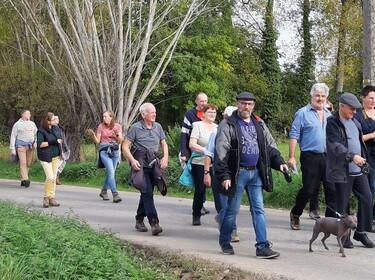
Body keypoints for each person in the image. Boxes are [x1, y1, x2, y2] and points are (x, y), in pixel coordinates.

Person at [214, 92, 288, 258]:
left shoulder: (259, 124)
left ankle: (262, 246)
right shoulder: (228, 125)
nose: (246, 107)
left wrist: (280, 162)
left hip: (256, 174)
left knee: (259, 210)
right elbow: (221, 152)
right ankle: (225, 240)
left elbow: (270, 147)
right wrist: (225, 175)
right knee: (232, 211)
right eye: (242, 103)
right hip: (237, 174)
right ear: (237, 104)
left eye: (249, 104)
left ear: (253, 105)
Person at [326, 92, 375, 248]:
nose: (354, 112)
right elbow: (335, 146)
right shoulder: (332, 123)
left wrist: (362, 157)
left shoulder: (355, 122)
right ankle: (344, 236)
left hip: (358, 169)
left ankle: (360, 232)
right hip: (342, 171)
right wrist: (352, 156)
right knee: (343, 205)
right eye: (352, 109)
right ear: (342, 106)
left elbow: (359, 142)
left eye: (356, 109)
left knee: (367, 198)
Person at [289, 83, 337, 230]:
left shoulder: (329, 116)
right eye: (317, 95)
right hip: (310, 157)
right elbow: (294, 134)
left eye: (323, 96)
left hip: (328, 157)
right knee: (309, 189)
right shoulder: (302, 113)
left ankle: (329, 222)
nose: (320, 98)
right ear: (312, 96)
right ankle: (296, 213)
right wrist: (291, 156)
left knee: (332, 189)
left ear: (326, 98)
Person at [122, 102, 168, 236]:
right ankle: (154, 222)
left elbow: (163, 144)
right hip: (140, 163)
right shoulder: (135, 128)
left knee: (146, 192)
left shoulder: (158, 127)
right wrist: (132, 160)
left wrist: (165, 158)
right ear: (143, 114)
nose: (154, 114)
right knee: (147, 192)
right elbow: (125, 146)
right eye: (151, 112)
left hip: (154, 163)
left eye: (154, 112)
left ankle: (139, 219)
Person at [204, 105, 240, 241]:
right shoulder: (217, 132)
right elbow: (209, 154)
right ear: (225, 117)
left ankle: (221, 218)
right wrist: (206, 172)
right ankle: (232, 231)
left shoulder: (240, 131)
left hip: (235, 171)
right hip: (220, 170)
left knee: (233, 202)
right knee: (225, 202)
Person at [180, 92, 210, 215]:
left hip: (207, 155)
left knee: (203, 182)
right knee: (199, 181)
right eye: (201, 101)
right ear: (196, 102)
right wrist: (183, 152)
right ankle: (199, 206)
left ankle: (200, 204)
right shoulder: (190, 114)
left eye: (206, 101)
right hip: (194, 154)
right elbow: (184, 134)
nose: (204, 103)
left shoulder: (209, 113)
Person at [189, 104, 218, 226]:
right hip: (199, 162)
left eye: (214, 112)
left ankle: (222, 216)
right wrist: (206, 151)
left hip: (215, 164)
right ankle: (196, 213)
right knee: (200, 190)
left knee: (218, 190)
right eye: (210, 112)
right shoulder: (197, 126)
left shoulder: (218, 127)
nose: (212, 114)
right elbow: (192, 144)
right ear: (204, 113)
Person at [88, 111, 123, 203]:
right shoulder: (101, 126)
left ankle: (104, 191)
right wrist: (93, 135)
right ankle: (115, 194)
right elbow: (98, 141)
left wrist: (117, 133)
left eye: (106, 116)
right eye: (103, 116)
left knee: (111, 173)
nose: (104, 118)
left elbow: (120, 141)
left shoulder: (117, 126)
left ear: (111, 117)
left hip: (114, 151)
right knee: (111, 172)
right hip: (104, 151)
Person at [354, 85, 375, 231]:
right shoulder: (358, 116)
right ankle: (365, 220)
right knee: (371, 188)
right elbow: (355, 137)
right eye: (371, 98)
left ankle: (372, 216)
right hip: (368, 156)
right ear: (363, 98)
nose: (373, 101)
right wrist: (373, 135)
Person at [37, 112, 62, 208]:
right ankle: (45, 197)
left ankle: (51, 197)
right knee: (50, 177)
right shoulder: (41, 131)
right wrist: (53, 141)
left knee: (54, 178)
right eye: (53, 119)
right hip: (45, 156)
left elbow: (59, 139)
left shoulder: (56, 129)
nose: (55, 121)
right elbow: (40, 144)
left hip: (55, 155)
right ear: (47, 121)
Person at [10, 109, 38, 188]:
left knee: (28, 163)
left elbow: (37, 134)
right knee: (23, 163)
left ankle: (23, 179)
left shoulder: (32, 124)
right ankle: (26, 179)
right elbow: (13, 136)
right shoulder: (17, 124)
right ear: (23, 115)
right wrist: (12, 148)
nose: (30, 115)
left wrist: (36, 142)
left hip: (31, 147)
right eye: (28, 114)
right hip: (21, 146)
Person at [53, 116, 70, 185]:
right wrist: (61, 151)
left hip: (63, 147)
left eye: (58, 118)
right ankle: (53, 178)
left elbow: (63, 139)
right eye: (55, 119)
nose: (57, 120)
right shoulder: (52, 129)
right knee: (56, 164)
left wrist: (66, 148)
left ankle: (56, 177)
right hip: (57, 148)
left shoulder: (60, 128)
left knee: (62, 163)